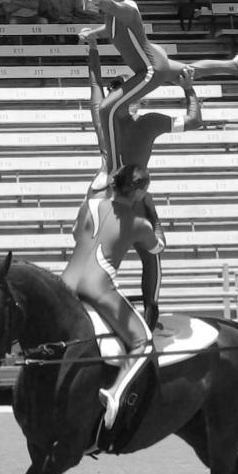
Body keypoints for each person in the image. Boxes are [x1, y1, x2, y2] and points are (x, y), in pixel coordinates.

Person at [78, 0, 238, 181]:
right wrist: (94, 34)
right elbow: (111, 29)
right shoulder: (113, 13)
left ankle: (111, 170)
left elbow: (113, 8)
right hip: (151, 56)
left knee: (105, 109)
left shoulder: (127, 7)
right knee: (188, 71)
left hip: (149, 68)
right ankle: (234, 66)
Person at [87, 38, 201, 329]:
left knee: (99, 258)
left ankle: (98, 315)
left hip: (105, 193)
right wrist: (188, 88)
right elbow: (194, 120)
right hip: (136, 197)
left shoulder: (105, 117)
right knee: (153, 256)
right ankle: (150, 315)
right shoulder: (148, 122)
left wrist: (92, 49)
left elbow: (95, 87)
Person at [62, 164, 165, 429]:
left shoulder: (92, 205)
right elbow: (158, 247)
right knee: (144, 341)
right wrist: (153, 213)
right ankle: (116, 393)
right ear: (140, 192)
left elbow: (75, 232)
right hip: (98, 287)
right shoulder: (138, 223)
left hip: (66, 283)